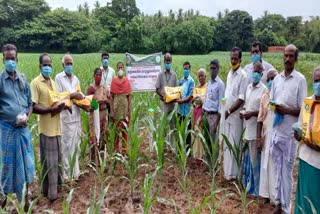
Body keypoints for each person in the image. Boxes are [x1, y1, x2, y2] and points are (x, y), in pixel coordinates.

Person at [270, 44, 307, 214]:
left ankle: (286, 208)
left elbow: (302, 108)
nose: (287, 59)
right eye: (285, 55)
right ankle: (278, 202)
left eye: (291, 56)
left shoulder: (300, 80)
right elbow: (271, 102)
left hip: (290, 134)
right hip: (277, 130)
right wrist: (275, 108)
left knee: (287, 169)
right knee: (277, 167)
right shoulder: (277, 79)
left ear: (296, 58)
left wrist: (287, 110)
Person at [0, 44, 34, 210]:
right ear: (3, 59)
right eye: (7, 59)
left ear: (17, 59)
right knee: (8, 164)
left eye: (13, 59)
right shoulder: (0, 81)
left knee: (27, 163)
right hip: (8, 130)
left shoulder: (23, 79)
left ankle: (26, 196)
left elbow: (30, 104)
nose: (10, 62)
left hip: (23, 130)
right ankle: (4, 196)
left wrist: (27, 117)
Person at [31, 53, 66, 201]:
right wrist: (50, 110)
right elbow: (34, 106)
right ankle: (52, 195)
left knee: (56, 162)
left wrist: (63, 106)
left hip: (56, 127)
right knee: (49, 164)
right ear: (40, 66)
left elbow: (55, 101)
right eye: (45, 65)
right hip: (46, 129)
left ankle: (50, 190)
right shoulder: (35, 83)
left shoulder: (53, 82)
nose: (47, 67)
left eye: (49, 64)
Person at [55, 54, 86, 181]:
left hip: (76, 117)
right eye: (67, 64)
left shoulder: (76, 79)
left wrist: (86, 104)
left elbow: (80, 97)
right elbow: (58, 97)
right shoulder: (58, 78)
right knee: (67, 146)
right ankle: (67, 176)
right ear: (63, 65)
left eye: (71, 63)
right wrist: (73, 95)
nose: (69, 66)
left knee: (76, 145)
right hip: (66, 118)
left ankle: (76, 173)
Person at [294, 67, 320, 214]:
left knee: (315, 199)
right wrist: (298, 136)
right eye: (316, 81)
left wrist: (313, 143)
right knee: (304, 198)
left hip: (318, 162)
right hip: (305, 157)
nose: (318, 84)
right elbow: (301, 124)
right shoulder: (308, 103)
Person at [241, 62, 268, 196]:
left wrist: (251, 113)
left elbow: (263, 111)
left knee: (255, 160)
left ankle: (256, 190)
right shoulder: (248, 87)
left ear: (261, 74)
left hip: (256, 130)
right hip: (247, 128)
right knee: (247, 159)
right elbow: (247, 105)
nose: (255, 74)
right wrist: (245, 112)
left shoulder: (264, 90)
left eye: (258, 72)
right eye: (254, 71)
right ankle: (247, 186)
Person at [222, 47, 248, 181]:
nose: (233, 61)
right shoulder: (229, 74)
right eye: (231, 58)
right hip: (227, 115)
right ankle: (227, 172)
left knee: (234, 143)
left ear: (240, 59)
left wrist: (229, 110)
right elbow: (228, 94)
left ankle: (235, 174)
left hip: (235, 116)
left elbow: (241, 98)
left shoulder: (243, 76)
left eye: (235, 58)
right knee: (227, 144)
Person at [257, 69, 278, 204]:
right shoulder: (265, 96)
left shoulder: (281, 95)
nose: (271, 81)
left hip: (277, 135)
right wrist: (259, 138)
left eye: (273, 78)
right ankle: (264, 194)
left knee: (275, 166)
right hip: (265, 134)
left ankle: (275, 197)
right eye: (268, 79)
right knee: (265, 165)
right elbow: (260, 118)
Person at [202, 60, 225, 168]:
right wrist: (203, 113)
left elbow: (221, 104)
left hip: (214, 116)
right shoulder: (209, 83)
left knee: (213, 142)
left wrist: (217, 121)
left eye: (214, 68)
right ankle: (208, 163)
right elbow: (206, 99)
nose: (212, 71)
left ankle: (214, 166)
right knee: (206, 140)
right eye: (210, 68)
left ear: (218, 69)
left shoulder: (220, 84)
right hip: (206, 114)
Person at [86, 67, 109, 161]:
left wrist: (106, 101)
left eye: (100, 75)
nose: (98, 77)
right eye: (97, 75)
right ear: (94, 76)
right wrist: (97, 103)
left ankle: (101, 157)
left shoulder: (104, 87)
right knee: (94, 136)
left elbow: (108, 100)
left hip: (104, 114)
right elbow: (88, 105)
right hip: (95, 115)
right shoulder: (91, 88)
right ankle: (93, 159)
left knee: (103, 135)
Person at [155, 53, 178, 143]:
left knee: (172, 125)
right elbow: (157, 89)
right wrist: (162, 96)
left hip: (172, 104)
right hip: (163, 104)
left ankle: (172, 145)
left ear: (171, 61)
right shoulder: (160, 74)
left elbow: (176, 90)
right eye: (166, 60)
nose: (168, 62)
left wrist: (173, 97)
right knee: (163, 125)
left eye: (169, 60)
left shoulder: (174, 75)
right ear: (164, 61)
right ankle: (163, 145)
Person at [110, 62, 132, 155]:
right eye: (119, 68)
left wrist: (129, 111)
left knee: (124, 130)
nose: (120, 70)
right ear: (116, 69)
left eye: (121, 68)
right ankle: (115, 150)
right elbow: (111, 97)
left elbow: (129, 97)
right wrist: (111, 111)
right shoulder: (114, 81)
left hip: (124, 109)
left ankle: (124, 150)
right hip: (116, 109)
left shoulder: (126, 81)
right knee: (116, 130)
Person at [176, 62, 195, 151]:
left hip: (187, 112)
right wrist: (178, 97)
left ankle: (187, 151)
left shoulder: (192, 81)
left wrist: (181, 101)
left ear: (190, 70)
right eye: (184, 69)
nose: (185, 70)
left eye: (187, 69)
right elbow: (179, 92)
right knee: (180, 130)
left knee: (187, 132)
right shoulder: (181, 80)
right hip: (180, 110)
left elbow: (191, 96)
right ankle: (180, 150)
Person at [192, 68, 207, 163]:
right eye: (199, 76)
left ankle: (201, 156)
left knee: (200, 133)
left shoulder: (207, 87)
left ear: (205, 76)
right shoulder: (197, 87)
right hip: (195, 111)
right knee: (195, 134)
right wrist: (194, 100)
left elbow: (207, 101)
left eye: (202, 75)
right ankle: (196, 155)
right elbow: (193, 100)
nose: (200, 77)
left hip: (202, 112)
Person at [100, 52, 115, 119]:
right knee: (102, 114)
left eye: (107, 58)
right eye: (104, 58)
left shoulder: (112, 71)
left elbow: (114, 83)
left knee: (110, 113)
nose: (105, 60)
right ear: (101, 59)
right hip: (101, 96)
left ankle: (109, 128)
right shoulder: (99, 70)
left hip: (110, 96)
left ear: (108, 59)